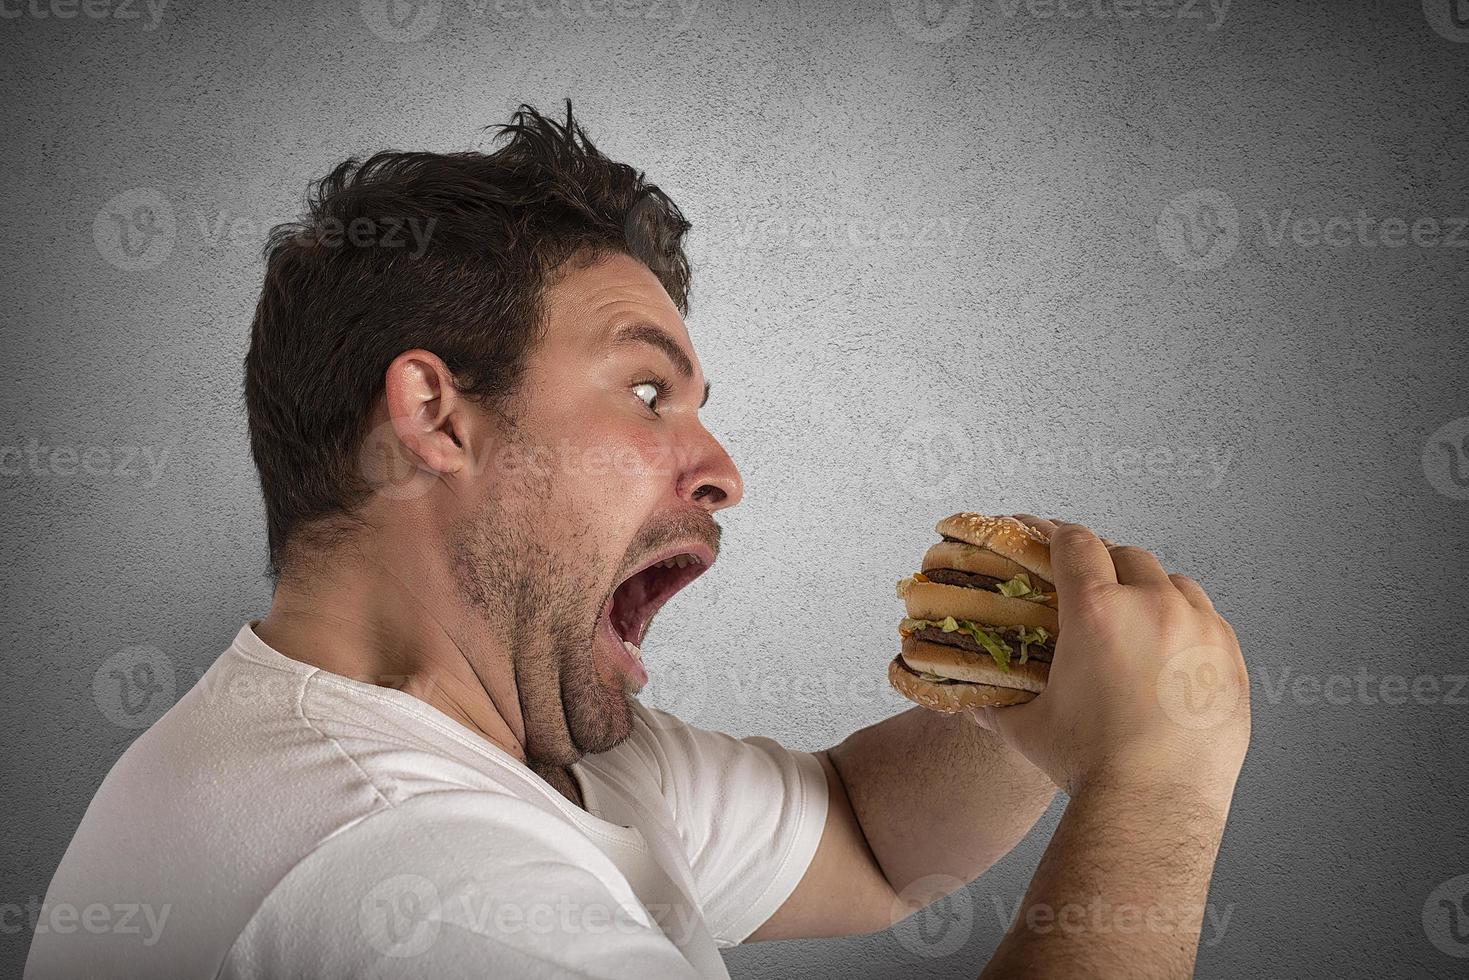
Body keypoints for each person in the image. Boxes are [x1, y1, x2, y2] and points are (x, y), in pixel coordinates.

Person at [25, 103, 1250, 979]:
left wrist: (1034, 665)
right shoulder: (407, 878)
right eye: (649, 393)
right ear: (434, 418)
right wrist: (1157, 784)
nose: (720, 471)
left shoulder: (511, 743)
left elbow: (868, 839)